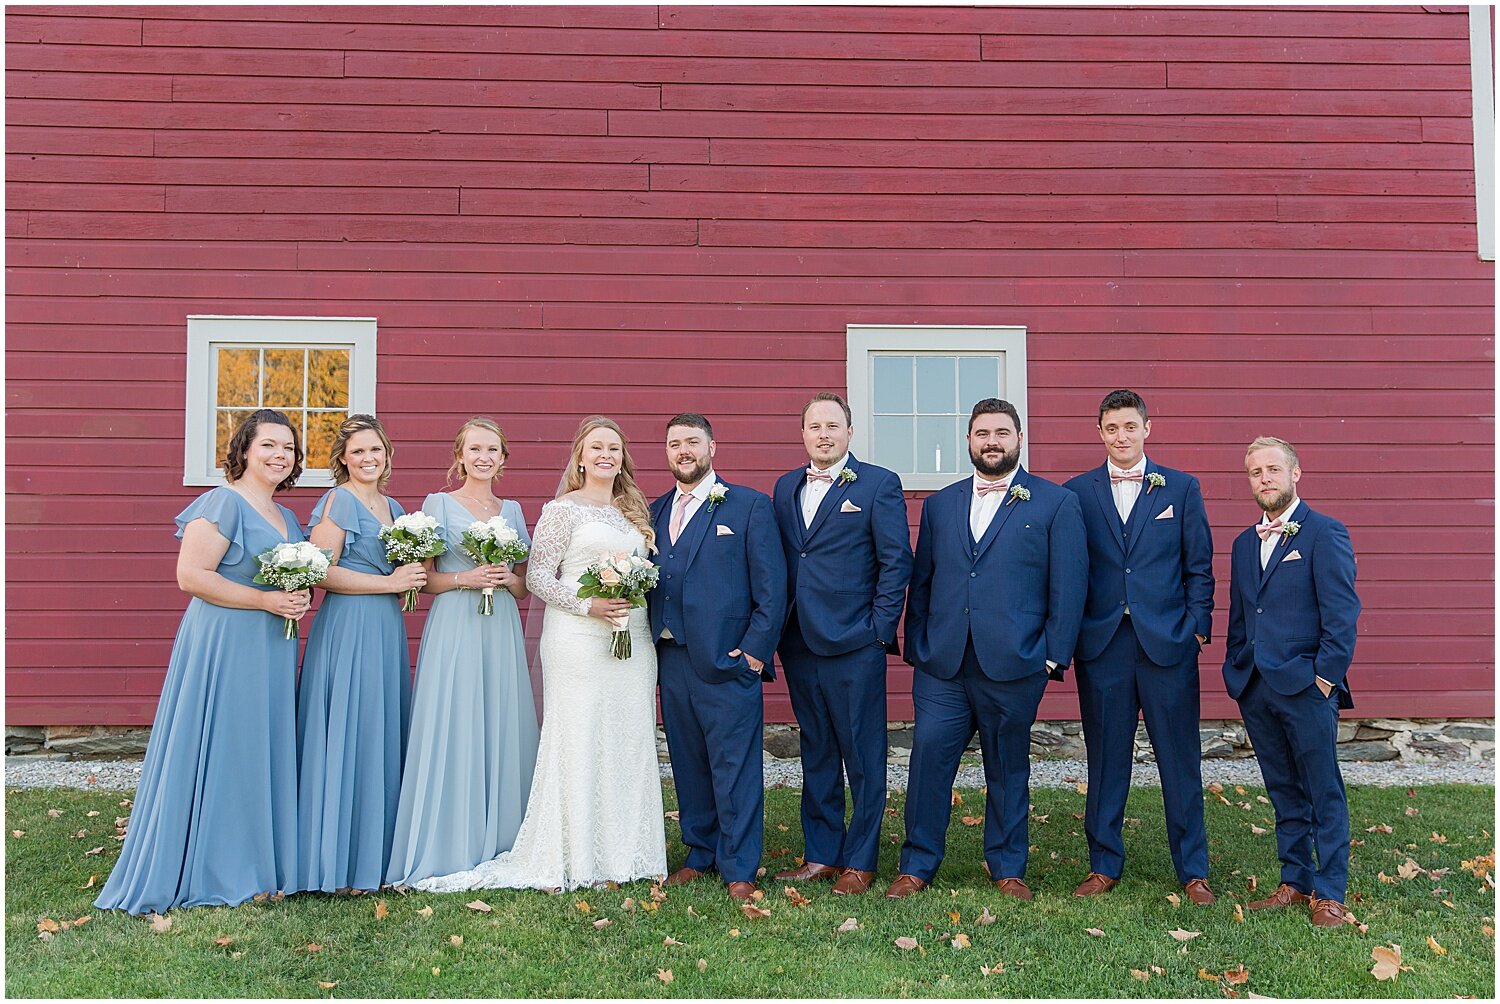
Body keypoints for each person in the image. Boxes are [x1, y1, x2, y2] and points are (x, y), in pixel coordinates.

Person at [417, 416, 667, 892]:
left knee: (628, 737)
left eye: (613, 448)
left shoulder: (632, 511)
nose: (605, 455)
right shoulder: (560, 510)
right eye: (595, 447)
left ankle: (631, 852)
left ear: (623, 458)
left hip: (630, 637)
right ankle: (573, 853)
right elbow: (537, 578)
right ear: (579, 455)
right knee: (579, 735)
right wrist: (589, 604)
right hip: (577, 636)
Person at [95, 409, 311, 914]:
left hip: (272, 643)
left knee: (258, 745)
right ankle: (213, 865)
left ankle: (259, 863)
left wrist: (294, 595)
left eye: (289, 448)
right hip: (225, 640)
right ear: (244, 449)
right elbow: (191, 576)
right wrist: (263, 601)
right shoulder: (222, 503)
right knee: (224, 742)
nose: (281, 455)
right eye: (270, 445)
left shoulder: (288, 517)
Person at [887, 398, 1087, 901]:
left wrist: (1052, 656)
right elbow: (924, 580)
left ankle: (1007, 867)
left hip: (1017, 663)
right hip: (944, 665)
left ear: (1019, 439)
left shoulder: (1055, 503)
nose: (991, 441)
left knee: (1007, 766)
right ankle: (917, 865)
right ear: (969, 441)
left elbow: (1068, 585)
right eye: (981, 433)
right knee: (928, 763)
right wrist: (919, 646)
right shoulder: (940, 503)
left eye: (1001, 432)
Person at [1063, 390, 1216, 904]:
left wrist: (1197, 627)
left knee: (1180, 758)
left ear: (1147, 428)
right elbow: (1068, 571)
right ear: (1100, 432)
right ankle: (1104, 863)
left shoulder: (1182, 488)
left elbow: (1199, 566)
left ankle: (1193, 870)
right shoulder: (1076, 493)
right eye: (1111, 428)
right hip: (1103, 643)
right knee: (1106, 759)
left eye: (1130, 427)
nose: (1121, 436)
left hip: (1168, 643)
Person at [386, 418, 539, 887]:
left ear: (503, 459)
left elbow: (523, 586)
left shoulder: (512, 510)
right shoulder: (438, 505)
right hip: (455, 623)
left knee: (500, 721)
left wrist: (505, 579)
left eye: (492, 449)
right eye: (474, 449)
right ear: (460, 456)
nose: (483, 457)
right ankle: (450, 838)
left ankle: (505, 837)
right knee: (454, 720)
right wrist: (465, 579)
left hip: (500, 631)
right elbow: (424, 579)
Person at [771, 393, 911, 896]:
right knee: (818, 751)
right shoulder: (786, 486)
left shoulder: (878, 484)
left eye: (833, 425)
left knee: (864, 755)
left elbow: (896, 562)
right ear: (803, 433)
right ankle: (822, 854)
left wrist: (878, 629)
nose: (823, 434)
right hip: (800, 642)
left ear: (850, 432)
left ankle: (861, 859)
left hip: (855, 642)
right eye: (814, 426)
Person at [1224, 436, 1360, 927]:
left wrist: (1324, 679)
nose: (1265, 478)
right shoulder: (1244, 544)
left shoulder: (1325, 533)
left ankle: (1330, 891)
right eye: (1256, 471)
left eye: (1273, 469)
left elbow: (1342, 617)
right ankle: (1295, 879)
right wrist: (1236, 669)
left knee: (1322, 789)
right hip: (1256, 687)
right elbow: (1242, 614)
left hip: (1306, 686)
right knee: (1281, 788)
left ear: (1295, 473)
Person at [651, 413, 787, 902]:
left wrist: (754, 652)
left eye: (692, 442)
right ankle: (700, 852)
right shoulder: (653, 511)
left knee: (735, 767)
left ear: (713, 447)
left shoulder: (748, 506)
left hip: (729, 661)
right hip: (671, 657)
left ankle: (740, 866)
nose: (683, 450)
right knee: (688, 763)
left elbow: (773, 588)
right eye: (674, 444)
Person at [294, 414, 425, 894]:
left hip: (386, 629)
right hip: (349, 625)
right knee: (349, 728)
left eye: (376, 450)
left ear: (387, 455)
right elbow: (320, 571)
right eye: (359, 452)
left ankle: (380, 852)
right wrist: (389, 582)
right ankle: (335, 860)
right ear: (343, 460)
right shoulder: (338, 501)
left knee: (379, 728)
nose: (369, 459)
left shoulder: (394, 506)